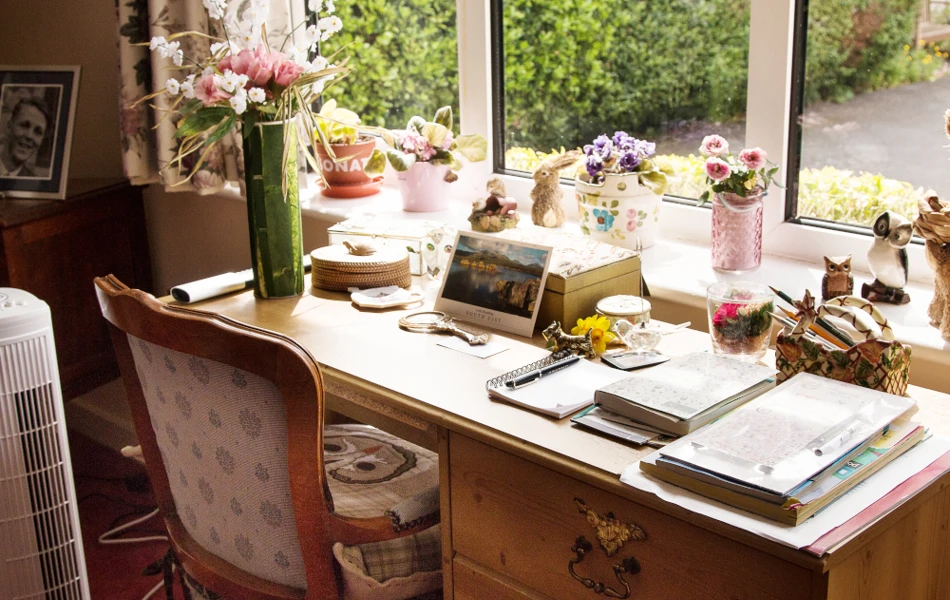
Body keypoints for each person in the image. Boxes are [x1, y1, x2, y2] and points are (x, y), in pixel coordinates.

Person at [0, 98, 50, 178]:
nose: (29, 136)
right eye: (24, 125)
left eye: (38, 132)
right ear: (9, 126)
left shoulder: (35, 183)